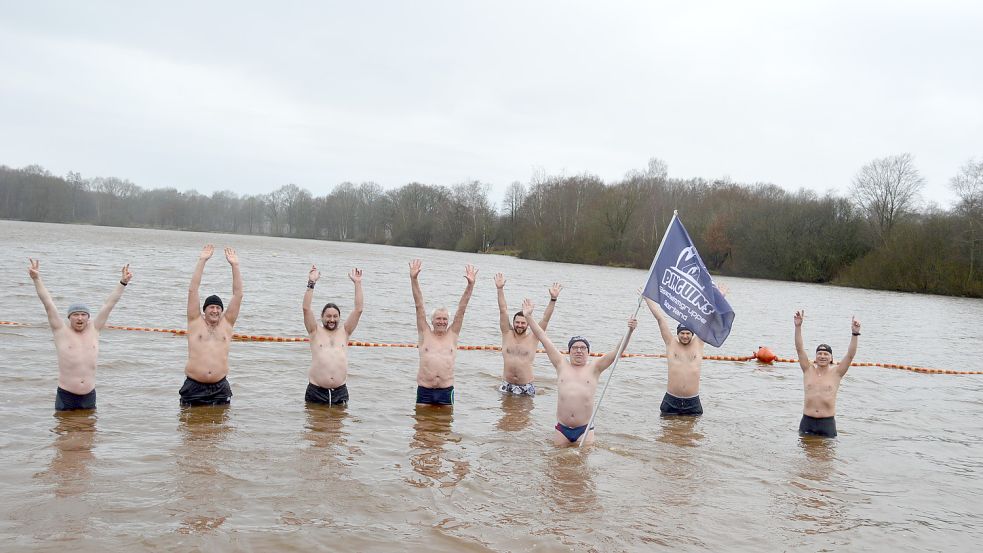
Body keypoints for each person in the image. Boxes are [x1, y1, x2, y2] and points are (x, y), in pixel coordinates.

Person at [521, 299, 637, 446]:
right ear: (569, 352)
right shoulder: (561, 364)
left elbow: (617, 351)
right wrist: (528, 317)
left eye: (583, 348)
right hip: (562, 428)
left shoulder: (595, 368)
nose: (579, 351)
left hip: (585, 429)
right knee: (558, 464)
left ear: (588, 352)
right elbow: (543, 337)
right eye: (575, 348)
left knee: (582, 466)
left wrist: (630, 331)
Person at [28, 258, 133, 410]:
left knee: (89, 432)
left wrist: (123, 283)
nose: (79, 318)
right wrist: (36, 278)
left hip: (89, 395)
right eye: (75, 314)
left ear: (88, 317)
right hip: (66, 395)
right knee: (64, 432)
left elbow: (109, 304)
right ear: (69, 317)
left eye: (83, 314)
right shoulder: (60, 330)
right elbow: (48, 303)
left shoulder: (95, 329)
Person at [180, 244, 243, 406]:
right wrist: (202, 261)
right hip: (194, 387)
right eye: (211, 307)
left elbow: (238, 295)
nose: (215, 310)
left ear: (222, 311)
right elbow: (193, 290)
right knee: (190, 429)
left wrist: (235, 266)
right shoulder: (195, 321)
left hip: (220, 388)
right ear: (204, 310)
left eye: (218, 308)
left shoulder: (227, 324)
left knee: (220, 430)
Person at [409, 259, 477, 406]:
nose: (441, 322)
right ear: (432, 321)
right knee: (421, 427)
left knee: (445, 427)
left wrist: (470, 285)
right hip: (425, 390)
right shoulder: (424, 333)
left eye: (444, 319)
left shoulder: (452, 334)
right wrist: (413, 279)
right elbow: (419, 305)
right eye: (438, 319)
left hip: (446, 390)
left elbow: (462, 309)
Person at [642, 293, 719, 416]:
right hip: (671, 400)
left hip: (692, 402)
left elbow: (709, 319)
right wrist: (647, 298)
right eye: (682, 333)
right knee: (667, 434)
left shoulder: (698, 344)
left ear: (692, 334)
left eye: (688, 333)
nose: (685, 336)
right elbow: (660, 318)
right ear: (678, 333)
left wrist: (719, 297)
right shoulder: (670, 343)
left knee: (691, 434)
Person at [302, 264, 364, 406]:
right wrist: (311, 283)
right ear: (322, 317)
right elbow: (306, 309)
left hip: (340, 391)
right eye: (328, 316)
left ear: (339, 318)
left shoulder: (345, 331)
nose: (331, 319)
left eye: (335, 316)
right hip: (316, 391)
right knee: (315, 428)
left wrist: (358, 283)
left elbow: (358, 309)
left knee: (339, 428)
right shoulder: (314, 331)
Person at [794, 310, 861, 437]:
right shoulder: (808, 369)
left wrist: (855, 334)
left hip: (827, 423)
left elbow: (850, 355)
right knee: (804, 456)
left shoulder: (837, 373)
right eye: (819, 353)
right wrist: (798, 326)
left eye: (826, 354)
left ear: (831, 358)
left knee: (827, 456)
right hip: (807, 421)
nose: (822, 356)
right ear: (815, 357)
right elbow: (799, 349)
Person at [494, 272, 562, 396]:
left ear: (528, 324)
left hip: (526, 386)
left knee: (524, 416)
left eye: (523, 323)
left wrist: (553, 299)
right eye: (517, 322)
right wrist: (500, 289)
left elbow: (546, 318)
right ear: (513, 322)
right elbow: (503, 309)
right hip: (506, 385)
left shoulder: (534, 336)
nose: (520, 325)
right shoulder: (506, 333)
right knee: (504, 415)